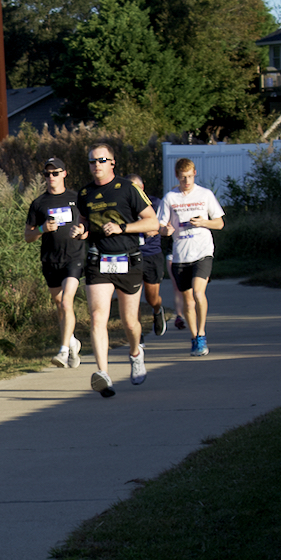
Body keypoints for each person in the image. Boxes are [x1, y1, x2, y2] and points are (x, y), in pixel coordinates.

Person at [76, 144, 159, 397]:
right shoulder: (85, 193)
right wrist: (80, 231)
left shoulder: (128, 189)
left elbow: (152, 222)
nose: (96, 165)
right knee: (98, 316)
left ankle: (136, 353)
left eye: (102, 160)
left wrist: (123, 228)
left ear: (113, 162)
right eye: (92, 161)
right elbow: (84, 223)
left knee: (129, 322)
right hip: (98, 260)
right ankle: (103, 374)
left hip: (128, 259)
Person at [158, 158, 226, 356]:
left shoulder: (205, 195)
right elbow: (160, 226)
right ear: (177, 176)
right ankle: (194, 337)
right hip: (181, 254)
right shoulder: (170, 198)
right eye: (182, 178)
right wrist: (166, 230)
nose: (186, 181)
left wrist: (203, 222)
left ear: (194, 173)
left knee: (198, 293)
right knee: (188, 301)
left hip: (202, 252)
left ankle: (202, 334)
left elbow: (220, 223)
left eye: (189, 176)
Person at [24, 158, 85, 368]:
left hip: (74, 258)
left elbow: (88, 223)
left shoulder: (76, 198)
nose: (51, 177)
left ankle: (63, 351)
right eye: (47, 174)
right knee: (60, 305)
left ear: (64, 173)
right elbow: (27, 235)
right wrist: (42, 229)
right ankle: (73, 342)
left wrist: (83, 232)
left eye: (55, 173)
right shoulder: (39, 203)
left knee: (67, 302)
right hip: (50, 260)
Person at [126, 174, 167, 343]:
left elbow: (160, 225)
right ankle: (138, 335)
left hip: (151, 254)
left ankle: (157, 311)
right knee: (132, 297)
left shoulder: (155, 203)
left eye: (136, 187)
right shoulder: (123, 206)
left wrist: (156, 228)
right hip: (130, 254)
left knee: (151, 297)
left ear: (142, 188)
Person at [166, 254, 188, 330]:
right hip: (172, 255)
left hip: (191, 255)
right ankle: (179, 316)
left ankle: (190, 313)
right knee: (177, 287)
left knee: (190, 289)